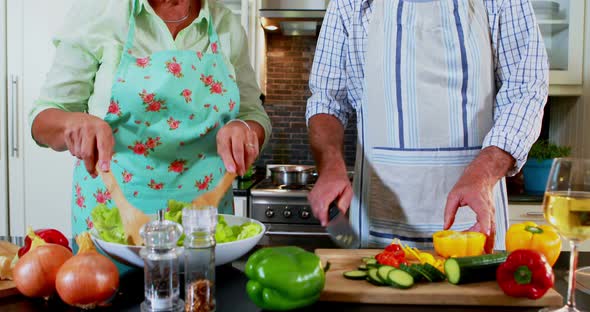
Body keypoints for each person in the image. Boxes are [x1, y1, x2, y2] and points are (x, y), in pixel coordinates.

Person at [306, 0, 548, 251]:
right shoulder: (349, 3)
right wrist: (330, 164)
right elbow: (328, 99)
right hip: (376, 236)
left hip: (473, 229)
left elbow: (525, 89)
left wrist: (484, 173)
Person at [30, 0, 271, 238]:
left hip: (203, 226)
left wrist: (244, 127)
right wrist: (74, 123)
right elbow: (44, 118)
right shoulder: (99, 12)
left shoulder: (226, 24)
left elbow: (252, 113)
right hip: (112, 223)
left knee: (201, 278)